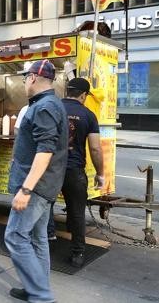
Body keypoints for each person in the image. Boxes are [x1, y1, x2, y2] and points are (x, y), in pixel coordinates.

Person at [5, 60, 68, 303]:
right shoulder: (52, 103)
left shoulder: (44, 107)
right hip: (46, 185)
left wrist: (26, 188)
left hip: (36, 188)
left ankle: (41, 295)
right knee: (37, 238)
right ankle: (35, 287)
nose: (24, 83)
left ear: (32, 78)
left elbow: (45, 151)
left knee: (15, 236)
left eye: (24, 79)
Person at [49, 77, 104, 268]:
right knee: (77, 212)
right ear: (83, 95)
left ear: (66, 91)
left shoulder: (52, 108)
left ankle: (44, 245)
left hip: (50, 167)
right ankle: (77, 253)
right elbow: (95, 149)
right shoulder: (88, 115)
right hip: (74, 170)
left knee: (45, 207)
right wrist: (100, 173)